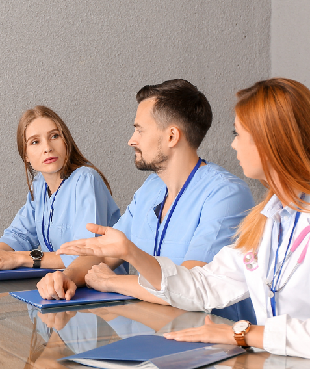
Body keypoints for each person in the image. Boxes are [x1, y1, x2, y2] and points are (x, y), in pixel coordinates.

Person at [63, 78, 310, 358]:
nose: (233, 145)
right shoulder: (267, 220)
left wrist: (242, 334)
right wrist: (125, 255)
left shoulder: (226, 192)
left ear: (271, 141)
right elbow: (202, 285)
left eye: (238, 134)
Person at [38, 79, 255, 321]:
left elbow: (190, 287)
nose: (132, 140)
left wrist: (114, 282)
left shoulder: (226, 194)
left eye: (140, 130)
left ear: (172, 136)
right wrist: (66, 277)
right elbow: (106, 253)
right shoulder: (151, 188)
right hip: (154, 331)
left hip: (211, 337)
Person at [0, 106, 121, 272]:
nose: (47, 147)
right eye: (35, 142)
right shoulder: (40, 185)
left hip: (102, 285)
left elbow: (85, 256)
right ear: (26, 155)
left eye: (54, 136)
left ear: (66, 141)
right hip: (61, 285)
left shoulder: (86, 180)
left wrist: (17, 258)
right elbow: (19, 235)